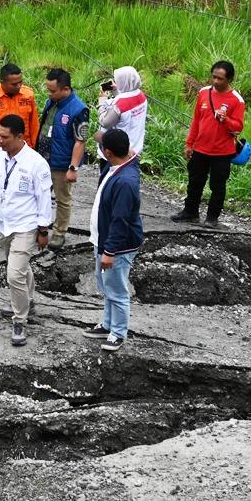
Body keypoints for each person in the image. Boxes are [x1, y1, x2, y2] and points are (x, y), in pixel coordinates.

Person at [0, 114, 52, 348]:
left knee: (14, 274)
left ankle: (20, 320)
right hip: (4, 223)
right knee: (20, 269)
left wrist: (43, 229)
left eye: (4, 137)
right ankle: (28, 300)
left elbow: (44, 199)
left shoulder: (36, 163)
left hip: (26, 225)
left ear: (19, 137)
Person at [87, 128, 142, 353]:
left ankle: (118, 333)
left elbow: (120, 221)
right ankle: (108, 324)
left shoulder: (125, 181)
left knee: (117, 289)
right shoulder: (118, 167)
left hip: (116, 246)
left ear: (108, 152)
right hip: (103, 240)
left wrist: (109, 251)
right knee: (108, 286)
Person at [176, 60, 245, 225]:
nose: (215, 81)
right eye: (214, 77)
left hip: (222, 152)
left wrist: (226, 120)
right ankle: (190, 212)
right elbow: (196, 120)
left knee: (218, 186)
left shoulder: (237, 100)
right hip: (200, 148)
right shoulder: (203, 93)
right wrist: (189, 143)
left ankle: (212, 218)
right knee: (194, 182)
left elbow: (238, 127)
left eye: (220, 79)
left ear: (230, 79)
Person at [0, 63, 40, 237]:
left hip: (24, 151)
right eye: (14, 83)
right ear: (2, 82)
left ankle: (25, 224)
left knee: (25, 187)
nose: (18, 86)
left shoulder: (28, 95)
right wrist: (0, 145)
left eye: (20, 82)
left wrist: (33, 148)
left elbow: (34, 123)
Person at [39, 67, 89, 249]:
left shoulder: (79, 109)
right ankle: (39, 228)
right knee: (39, 194)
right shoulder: (51, 102)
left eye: (53, 90)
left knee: (62, 199)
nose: (49, 93)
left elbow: (80, 141)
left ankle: (59, 233)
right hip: (42, 159)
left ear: (66, 89)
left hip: (60, 163)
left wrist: (73, 167)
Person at [96, 66, 148, 180]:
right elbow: (128, 100)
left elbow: (104, 121)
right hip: (133, 149)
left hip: (116, 152)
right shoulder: (141, 95)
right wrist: (116, 90)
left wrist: (102, 101)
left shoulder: (119, 104)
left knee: (107, 182)